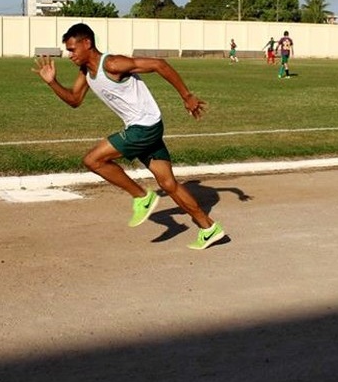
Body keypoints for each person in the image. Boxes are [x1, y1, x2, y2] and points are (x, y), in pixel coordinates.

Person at [32, 22, 226, 250]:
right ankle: (208, 227)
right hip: (146, 128)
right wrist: (52, 82)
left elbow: (159, 64)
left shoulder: (113, 63)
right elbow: (74, 100)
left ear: (87, 43)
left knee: (93, 160)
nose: (69, 55)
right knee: (168, 183)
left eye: (73, 49)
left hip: (144, 128)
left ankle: (141, 196)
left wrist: (187, 96)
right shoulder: (86, 73)